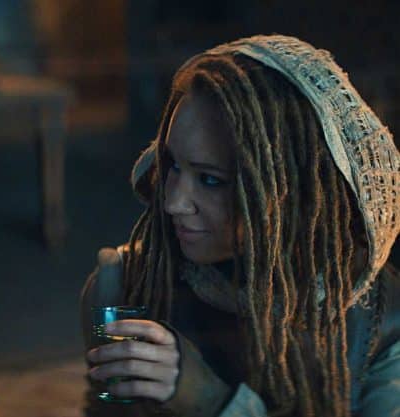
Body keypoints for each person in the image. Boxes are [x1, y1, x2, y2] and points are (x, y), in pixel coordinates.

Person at [81, 35, 399, 417]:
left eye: (211, 180)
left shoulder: (382, 324)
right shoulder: (128, 285)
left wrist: (210, 400)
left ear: (293, 194)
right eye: (173, 166)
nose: (173, 203)